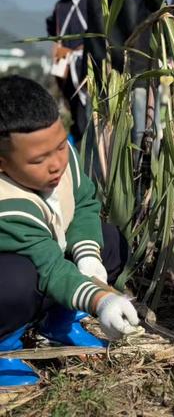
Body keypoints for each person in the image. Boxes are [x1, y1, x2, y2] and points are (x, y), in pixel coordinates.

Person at [0, 76, 139, 387]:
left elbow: (84, 204)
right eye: (39, 160)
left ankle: (58, 326)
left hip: (44, 262)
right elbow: (50, 269)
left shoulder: (60, 157)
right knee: (14, 282)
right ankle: (4, 349)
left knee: (110, 240)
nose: (56, 164)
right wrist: (101, 301)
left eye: (61, 146)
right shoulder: (7, 205)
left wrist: (89, 257)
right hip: (20, 274)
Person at [78, 0, 165, 151]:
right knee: (142, 133)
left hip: (101, 62)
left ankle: (98, 184)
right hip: (137, 61)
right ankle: (143, 184)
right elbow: (159, 4)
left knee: (99, 137)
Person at [46, 0, 89, 144]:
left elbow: (56, 39)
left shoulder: (60, 5)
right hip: (86, 61)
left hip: (64, 61)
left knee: (76, 113)